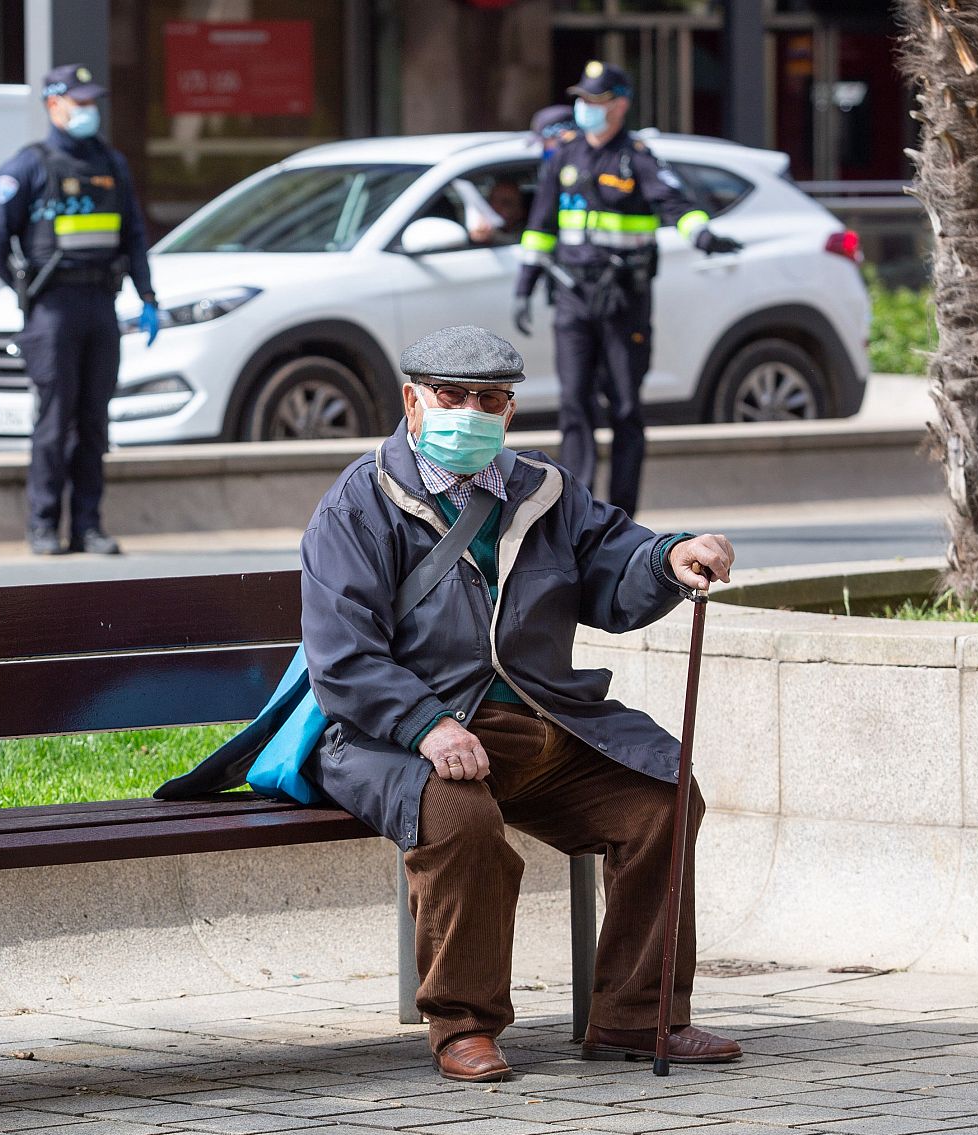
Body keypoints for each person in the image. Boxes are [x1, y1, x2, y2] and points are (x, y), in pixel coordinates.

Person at [299, 324, 741, 1082]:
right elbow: (343, 657)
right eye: (452, 396)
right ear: (412, 401)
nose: (471, 411)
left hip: (539, 724)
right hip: (391, 737)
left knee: (662, 798)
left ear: (508, 412)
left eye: (490, 398)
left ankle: (638, 1016)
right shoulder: (356, 505)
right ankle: (463, 1026)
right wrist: (426, 724)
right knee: (463, 821)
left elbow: (615, 567)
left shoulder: (544, 489)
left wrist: (670, 558)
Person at [512, 62, 743, 517]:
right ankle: (573, 511)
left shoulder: (637, 156)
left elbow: (674, 202)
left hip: (623, 300)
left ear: (619, 104)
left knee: (624, 408)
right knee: (574, 405)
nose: (585, 109)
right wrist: (525, 287)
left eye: (595, 101)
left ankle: (620, 515)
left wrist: (702, 234)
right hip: (574, 297)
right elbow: (540, 225)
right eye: (581, 100)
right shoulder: (564, 155)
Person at [0, 63, 159, 556]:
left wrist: (147, 296)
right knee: (54, 421)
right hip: (53, 309)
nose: (88, 111)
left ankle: (87, 525)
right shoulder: (28, 166)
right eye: (78, 102)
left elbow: (135, 237)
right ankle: (43, 524)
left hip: (100, 305)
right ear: (53, 105)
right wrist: (25, 288)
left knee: (94, 421)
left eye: (91, 102)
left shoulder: (111, 164)